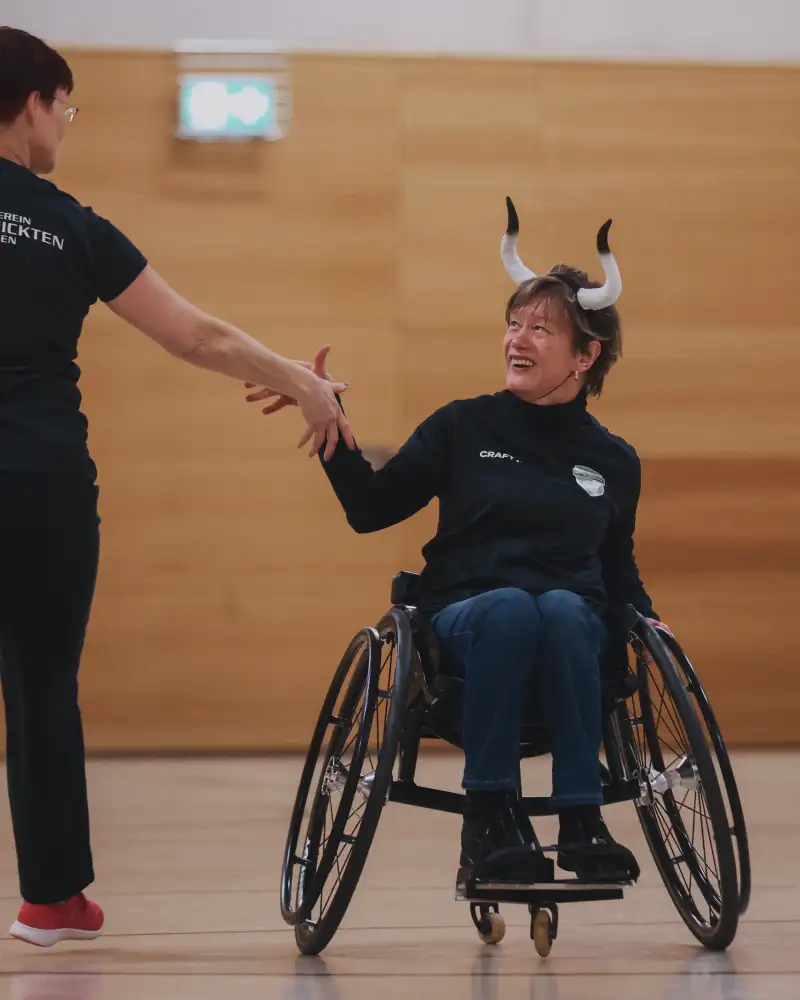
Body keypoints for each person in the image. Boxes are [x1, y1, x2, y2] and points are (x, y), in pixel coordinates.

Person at [0, 26, 354, 948]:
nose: (67, 126)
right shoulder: (73, 223)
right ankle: (50, 900)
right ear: (33, 102)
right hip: (40, 482)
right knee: (40, 682)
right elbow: (195, 335)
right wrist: (305, 383)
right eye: (66, 106)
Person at [248, 197, 665, 883]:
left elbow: (616, 568)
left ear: (586, 355)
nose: (517, 339)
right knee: (511, 607)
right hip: (468, 622)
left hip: (570, 630)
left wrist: (647, 621)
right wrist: (328, 418)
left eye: (540, 329)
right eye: (513, 324)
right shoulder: (463, 426)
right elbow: (370, 508)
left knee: (563, 609)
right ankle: (490, 814)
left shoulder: (613, 458)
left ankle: (581, 818)